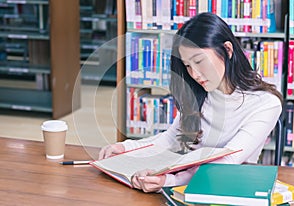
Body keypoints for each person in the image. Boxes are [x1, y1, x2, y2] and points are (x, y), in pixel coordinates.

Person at [98, 12, 282, 193]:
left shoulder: (266, 104)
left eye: (199, 61)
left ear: (227, 50)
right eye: (187, 65)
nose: (194, 74)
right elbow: (171, 139)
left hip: (231, 190)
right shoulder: (200, 93)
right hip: (185, 187)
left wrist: (169, 180)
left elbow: (227, 161)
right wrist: (124, 148)